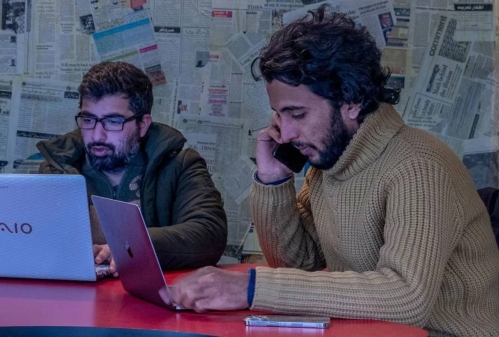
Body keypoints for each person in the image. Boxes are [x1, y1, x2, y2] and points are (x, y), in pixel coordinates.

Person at [170, 6, 499, 336]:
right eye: (279, 115)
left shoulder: (419, 165)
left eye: (297, 114)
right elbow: (297, 265)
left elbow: (406, 297)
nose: (284, 134)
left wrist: (250, 287)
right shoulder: (331, 164)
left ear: (352, 101)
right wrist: (274, 180)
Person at [36, 61, 227, 273]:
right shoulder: (57, 169)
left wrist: (131, 246)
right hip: (78, 299)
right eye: (89, 119)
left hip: (151, 299)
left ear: (142, 124)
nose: (97, 135)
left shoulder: (180, 165)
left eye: (113, 121)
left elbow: (209, 234)